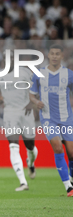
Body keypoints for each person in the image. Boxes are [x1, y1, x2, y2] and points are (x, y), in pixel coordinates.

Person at [29, 44, 73, 197]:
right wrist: (36, 102)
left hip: (67, 118)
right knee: (58, 148)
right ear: (48, 55)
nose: (54, 56)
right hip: (48, 118)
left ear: (62, 56)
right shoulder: (39, 73)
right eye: (52, 53)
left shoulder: (69, 74)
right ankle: (68, 187)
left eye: (57, 54)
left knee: (71, 153)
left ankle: (71, 179)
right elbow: (32, 94)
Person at [0, 54, 38, 191]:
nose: (7, 62)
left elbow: (36, 88)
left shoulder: (25, 72)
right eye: (4, 60)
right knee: (13, 145)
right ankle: (23, 182)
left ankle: (30, 163)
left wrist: (32, 102)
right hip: (10, 113)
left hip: (26, 112)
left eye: (10, 59)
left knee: (30, 145)